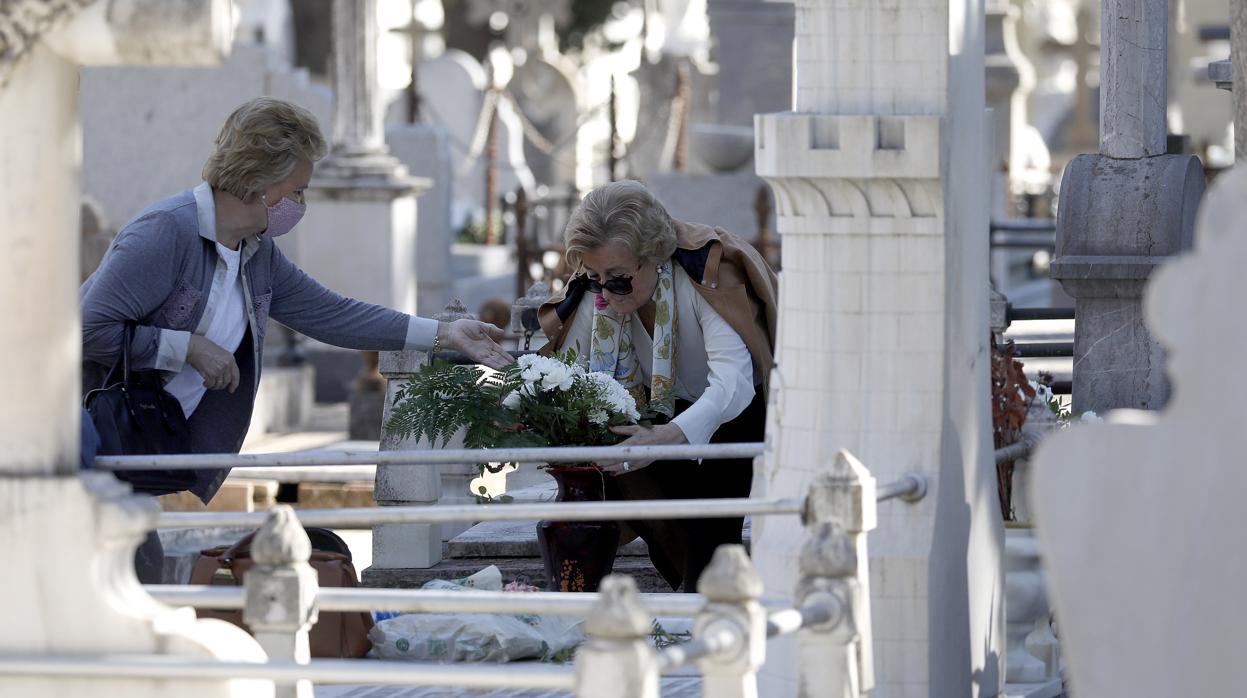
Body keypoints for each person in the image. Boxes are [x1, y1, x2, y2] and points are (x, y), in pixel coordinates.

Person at [80, 97, 513, 581]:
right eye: (298, 191)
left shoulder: (255, 253)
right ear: (261, 180)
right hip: (81, 447)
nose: (301, 205)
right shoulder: (167, 232)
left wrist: (445, 334)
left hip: (132, 460)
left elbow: (332, 313)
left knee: (137, 578)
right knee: (123, 580)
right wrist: (188, 348)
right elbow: (86, 329)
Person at [538, 180, 778, 592]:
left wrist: (671, 436)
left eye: (618, 278)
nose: (605, 291)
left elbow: (734, 383)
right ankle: (685, 601)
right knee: (654, 517)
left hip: (730, 416)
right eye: (594, 278)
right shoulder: (597, 292)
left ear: (654, 255)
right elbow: (569, 375)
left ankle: (705, 605)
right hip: (654, 415)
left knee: (711, 536)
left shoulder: (703, 273)